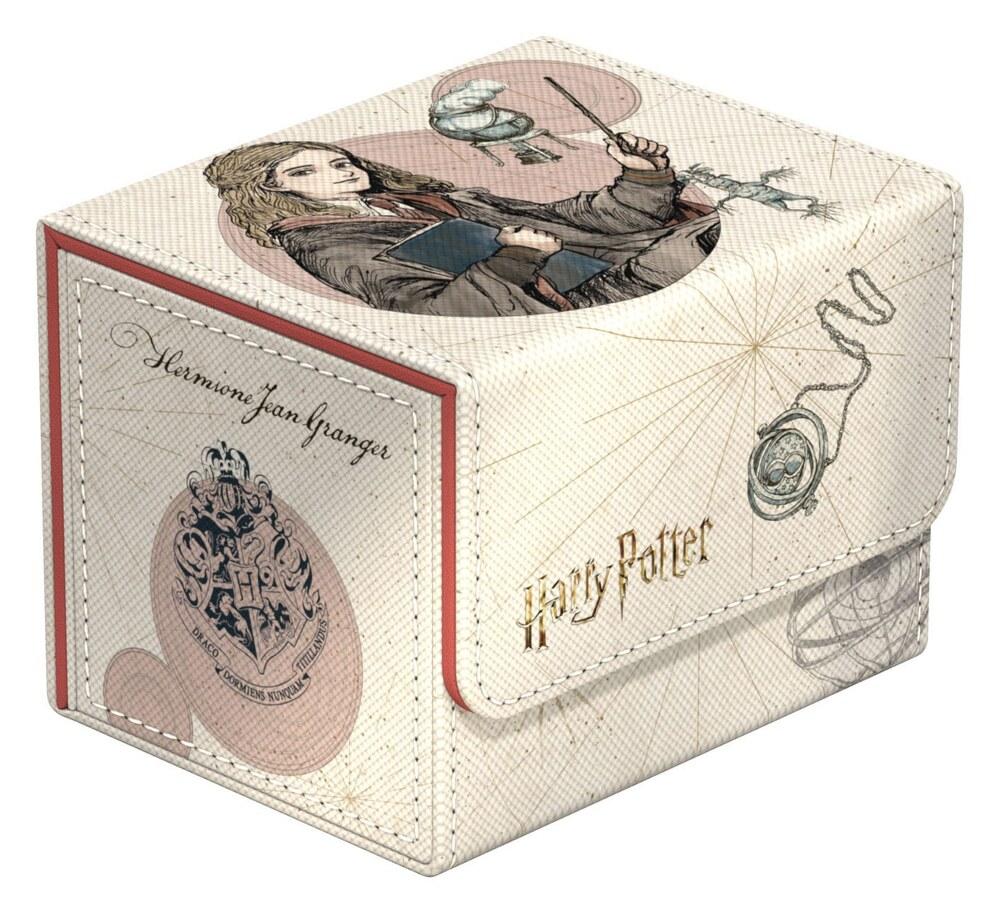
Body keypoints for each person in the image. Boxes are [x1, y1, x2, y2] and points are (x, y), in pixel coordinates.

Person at [205, 136, 719, 317]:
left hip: (625, 263)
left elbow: (569, 221)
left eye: (340, 161)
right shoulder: (331, 245)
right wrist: (515, 258)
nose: (340, 172)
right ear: (269, 192)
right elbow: (436, 311)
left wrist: (643, 177)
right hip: (592, 300)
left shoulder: (429, 201)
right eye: (304, 172)